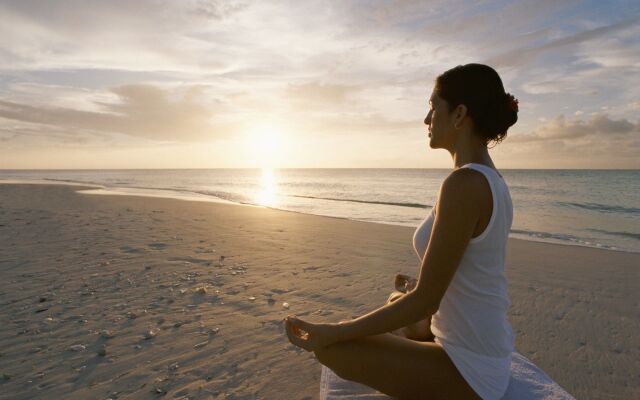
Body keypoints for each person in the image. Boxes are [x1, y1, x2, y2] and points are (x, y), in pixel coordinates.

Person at [285, 63, 519, 400]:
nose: (426, 120)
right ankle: (415, 335)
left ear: (459, 114)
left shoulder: (464, 185)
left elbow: (426, 301)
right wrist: (417, 290)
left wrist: (332, 332)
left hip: (472, 371)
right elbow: (471, 272)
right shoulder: (491, 180)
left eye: (432, 107)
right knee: (397, 299)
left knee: (335, 350)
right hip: (477, 344)